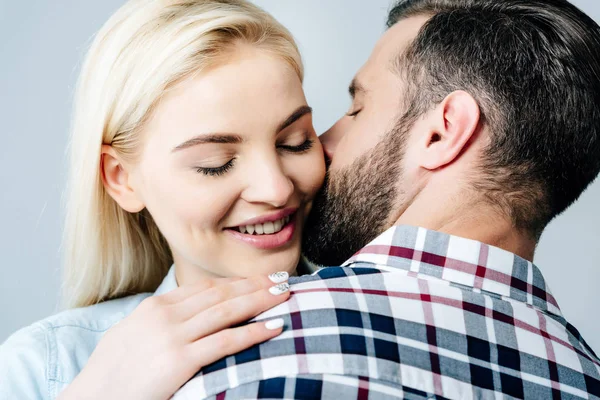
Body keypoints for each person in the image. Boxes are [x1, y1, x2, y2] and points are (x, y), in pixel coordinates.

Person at [170, 0, 600, 399]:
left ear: (442, 132)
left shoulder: (246, 341)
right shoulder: (584, 377)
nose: (323, 144)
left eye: (357, 108)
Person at [0, 0, 325, 399]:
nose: (276, 189)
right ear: (122, 180)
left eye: (295, 143)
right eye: (216, 164)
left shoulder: (389, 307)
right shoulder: (44, 367)